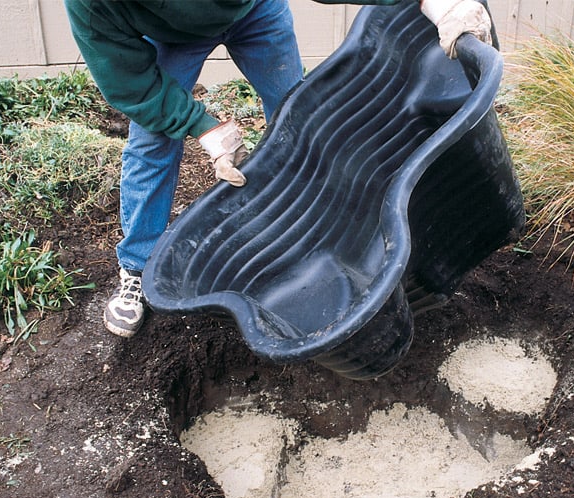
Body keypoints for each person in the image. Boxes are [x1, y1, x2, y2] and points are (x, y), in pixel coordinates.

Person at [63, 0, 492, 338]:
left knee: (296, 113)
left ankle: (329, 232)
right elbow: (128, 81)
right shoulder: (91, 4)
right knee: (152, 140)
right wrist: (201, 126)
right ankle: (137, 267)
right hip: (170, 36)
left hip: (253, 11)